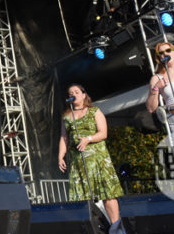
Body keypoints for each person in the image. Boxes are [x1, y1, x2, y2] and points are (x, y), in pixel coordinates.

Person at [58, 84, 124, 234]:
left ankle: (116, 227)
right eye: (70, 93)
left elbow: (103, 133)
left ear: (83, 95)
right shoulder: (67, 116)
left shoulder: (94, 111)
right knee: (81, 196)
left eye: (76, 92)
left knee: (108, 193)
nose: (73, 94)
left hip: (98, 158)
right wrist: (60, 156)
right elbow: (64, 137)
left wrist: (88, 139)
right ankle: (89, 228)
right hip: (78, 161)